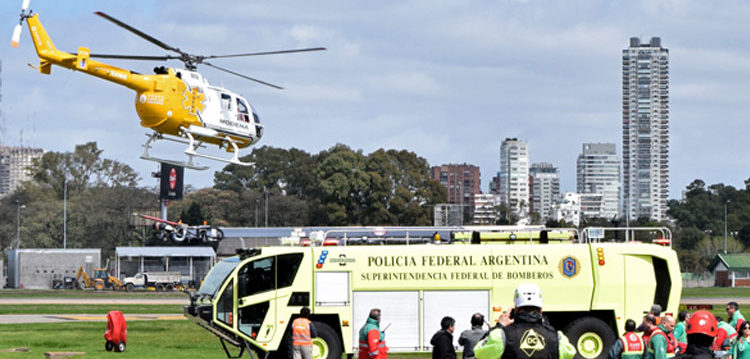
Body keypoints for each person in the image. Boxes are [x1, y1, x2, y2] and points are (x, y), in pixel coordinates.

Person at [474, 283, 576, 359]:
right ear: (540, 310)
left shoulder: (500, 336)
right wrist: (545, 325)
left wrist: (499, 325)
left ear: (516, 309)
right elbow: (570, 354)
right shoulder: (558, 339)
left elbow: (478, 352)